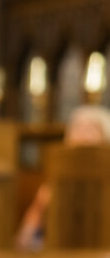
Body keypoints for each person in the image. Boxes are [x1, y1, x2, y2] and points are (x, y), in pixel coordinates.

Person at [16, 104, 110, 249]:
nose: (83, 135)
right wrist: (41, 208)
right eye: (78, 128)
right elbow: (24, 240)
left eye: (92, 128)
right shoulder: (52, 185)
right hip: (57, 257)